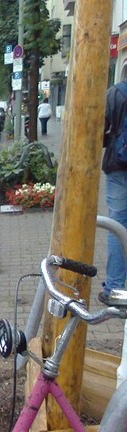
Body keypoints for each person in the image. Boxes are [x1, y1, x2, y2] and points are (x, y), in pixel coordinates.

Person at [100, 78, 127, 304]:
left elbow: (99, 131)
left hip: (119, 166)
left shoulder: (115, 93)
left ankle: (115, 288)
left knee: (117, 225)